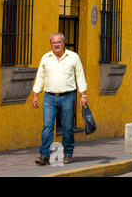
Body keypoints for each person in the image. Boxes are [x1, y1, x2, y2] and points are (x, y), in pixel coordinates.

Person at [32, 33, 88, 166]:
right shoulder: (46, 58)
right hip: (49, 97)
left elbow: (80, 76)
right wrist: (35, 95)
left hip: (67, 97)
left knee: (68, 127)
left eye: (58, 42)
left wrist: (83, 95)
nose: (56, 45)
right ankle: (44, 155)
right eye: (53, 43)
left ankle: (68, 153)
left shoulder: (73, 57)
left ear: (63, 43)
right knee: (47, 127)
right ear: (51, 44)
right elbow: (40, 77)